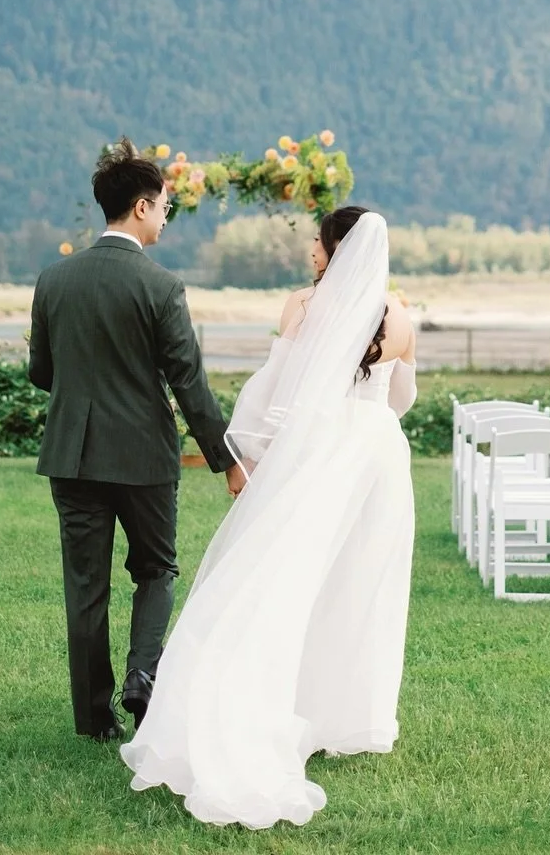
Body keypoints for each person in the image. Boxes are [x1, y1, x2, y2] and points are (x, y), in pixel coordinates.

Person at [122, 205, 417, 829]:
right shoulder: (400, 315)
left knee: (282, 571)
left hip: (324, 450)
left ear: (337, 247)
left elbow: (273, 392)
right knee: (362, 580)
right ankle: (345, 715)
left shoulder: (303, 307)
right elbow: (401, 397)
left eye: (319, 239)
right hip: (380, 453)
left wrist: (247, 455)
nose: (311, 248)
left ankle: (258, 700)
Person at [28, 138, 243, 743]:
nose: (168, 216)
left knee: (85, 588)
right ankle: (143, 679)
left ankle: (95, 719)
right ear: (143, 207)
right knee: (156, 570)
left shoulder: (54, 280)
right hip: (145, 457)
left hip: (71, 455)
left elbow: (41, 373)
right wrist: (225, 459)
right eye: (166, 205)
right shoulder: (162, 287)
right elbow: (190, 384)